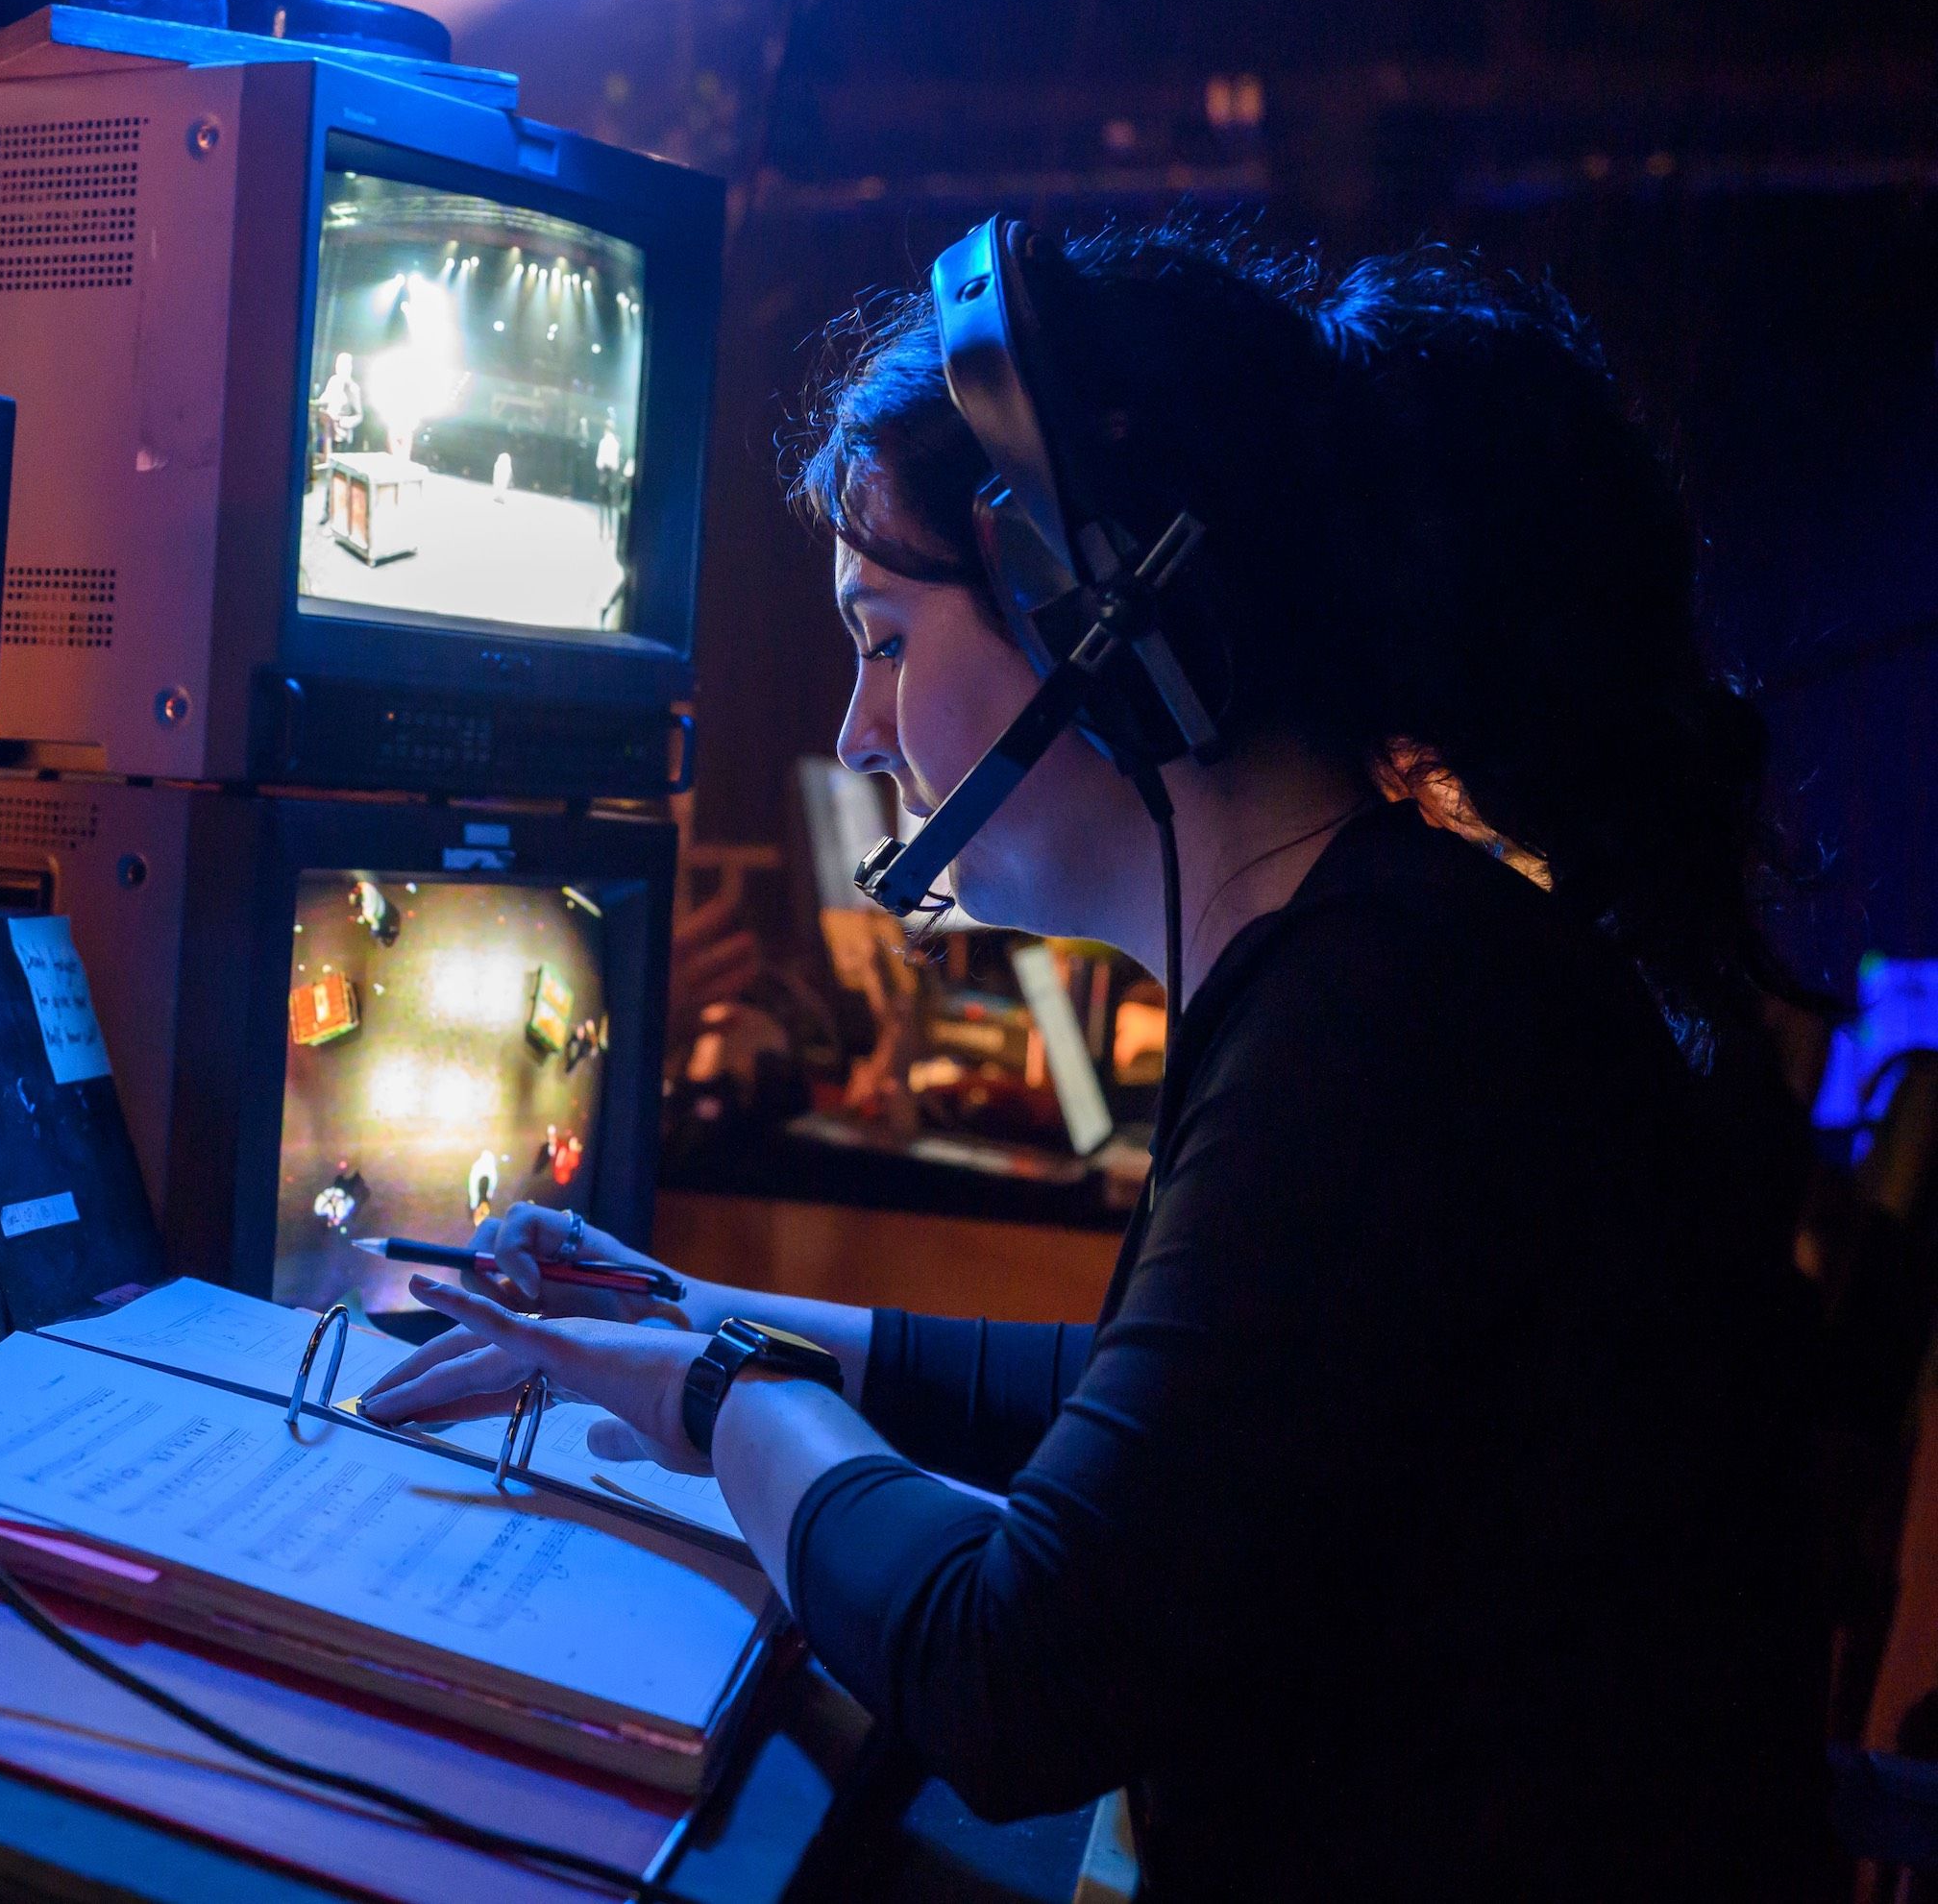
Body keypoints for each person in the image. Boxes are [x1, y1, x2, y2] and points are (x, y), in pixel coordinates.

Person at [360, 221, 1829, 1901]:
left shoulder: (1386, 1016)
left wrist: (718, 1399)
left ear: (1107, 630)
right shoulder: (1391, 960)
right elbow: (1152, 1416)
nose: (855, 730)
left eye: (885, 638)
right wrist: (691, 1314)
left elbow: (1018, 1669)